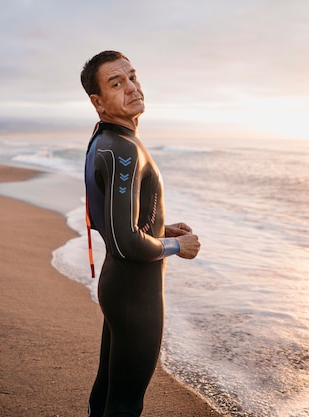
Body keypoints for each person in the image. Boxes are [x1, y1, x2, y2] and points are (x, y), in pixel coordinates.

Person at [80, 50, 201, 417]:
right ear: (98, 102)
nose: (132, 87)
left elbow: (111, 220)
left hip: (120, 289)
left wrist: (160, 227)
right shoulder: (122, 151)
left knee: (107, 393)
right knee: (125, 404)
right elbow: (125, 243)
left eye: (133, 77)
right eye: (117, 83)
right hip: (136, 296)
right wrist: (176, 245)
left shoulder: (104, 140)